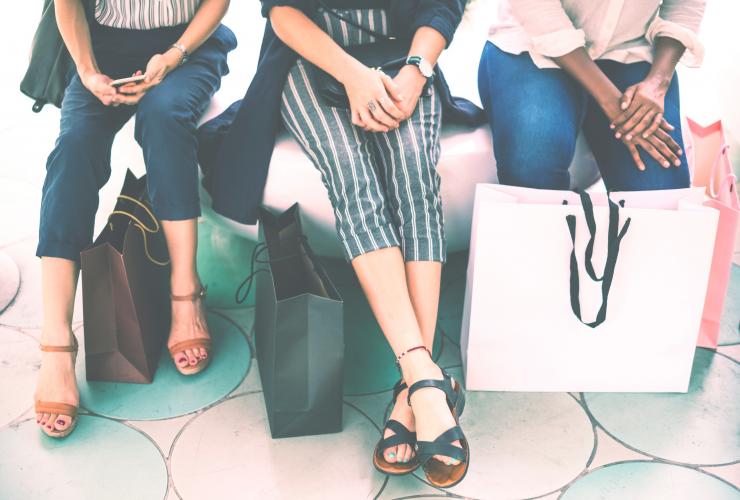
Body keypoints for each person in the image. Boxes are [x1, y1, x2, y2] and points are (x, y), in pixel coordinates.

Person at [219, 0, 474, 489]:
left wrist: (418, 71)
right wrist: (354, 75)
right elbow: (281, 12)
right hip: (311, 60)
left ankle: (413, 390)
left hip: (407, 59)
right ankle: (426, 377)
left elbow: (444, 6)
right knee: (351, 175)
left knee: (416, 174)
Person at [32, 0, 235, 439]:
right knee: (72, 151)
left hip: (188, 45)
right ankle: (57, 345)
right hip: (102, 49)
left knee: (164, 120)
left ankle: (186, 293)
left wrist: (175, 54)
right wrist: (86, 72)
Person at [478, 0, 706, 191]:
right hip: (532, 44)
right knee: (533, 164)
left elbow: (685, 3)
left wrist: (658, 81)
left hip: (629, 48)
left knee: (660, 194)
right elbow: (537, 8)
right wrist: (613, 103)